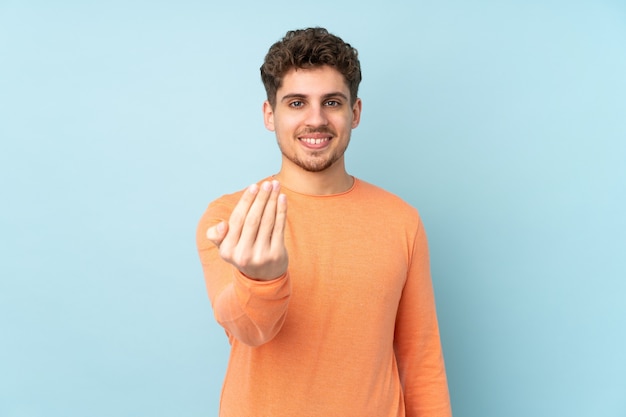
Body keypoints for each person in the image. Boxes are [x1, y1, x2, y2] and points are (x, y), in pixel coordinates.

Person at [196, 27, 452, 417]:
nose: (316, 120)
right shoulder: (232, 217)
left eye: (331, 102)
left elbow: (421, 360)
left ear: (356, 112)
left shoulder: (402, 220)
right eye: (296, 103)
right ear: (270, 114)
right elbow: (247, 330)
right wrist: (262, 280)